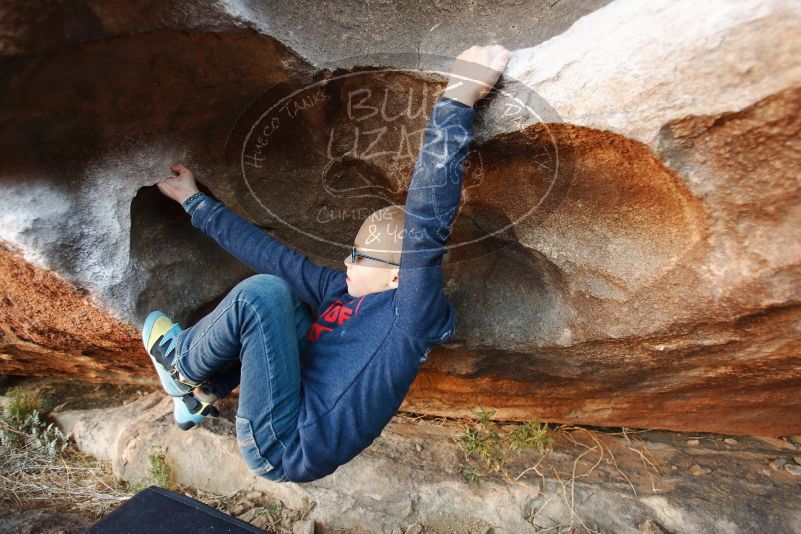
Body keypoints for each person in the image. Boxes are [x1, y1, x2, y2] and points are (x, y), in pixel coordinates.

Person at [142, 44, 512, 483]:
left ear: (399, 274)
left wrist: (459, 96)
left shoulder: (407, 315)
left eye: (359, 256)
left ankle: (179, 366)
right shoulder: (340, 292)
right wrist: (194, 202)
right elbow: (271, 254)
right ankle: (203, 391)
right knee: (287, 302)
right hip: (288, 408)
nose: (346, 260)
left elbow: (428, 221)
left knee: (263, 296)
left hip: (286, 446)